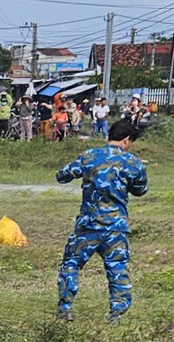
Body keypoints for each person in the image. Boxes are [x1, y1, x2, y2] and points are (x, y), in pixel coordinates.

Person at [54, 118, 148, 322]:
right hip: (115, 227)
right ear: (126, 139)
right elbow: (141, 190)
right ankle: (117, 316)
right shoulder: (132, 162)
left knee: (71, 263)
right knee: (117, 269)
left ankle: (65, 309)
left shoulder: (89, 156)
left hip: (88, 226)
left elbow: (62, 175)